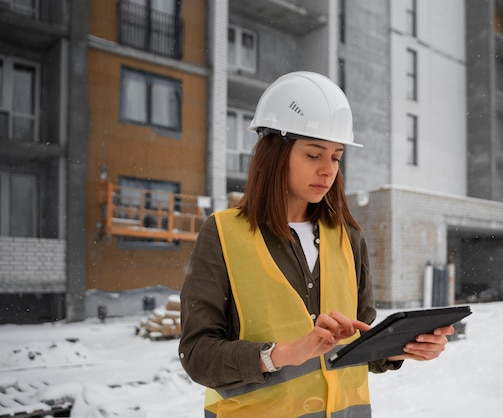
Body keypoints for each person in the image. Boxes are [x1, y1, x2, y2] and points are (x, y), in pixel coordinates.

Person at [178, 71, 454, 418]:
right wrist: (281, 354)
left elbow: (358, 343)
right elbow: (198, 354)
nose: (328, 170)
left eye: (336, 157)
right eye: (313, 155)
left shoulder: (348, 237)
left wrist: (402, 347)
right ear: (275, 153)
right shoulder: (222, 234)